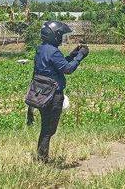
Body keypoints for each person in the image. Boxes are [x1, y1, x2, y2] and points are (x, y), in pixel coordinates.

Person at [32, 21, 89, 161]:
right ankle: (42, 159)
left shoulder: (41, 49)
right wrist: (80, 56)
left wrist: (72, 54)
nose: (61, 38)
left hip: (42, 93)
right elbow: (67, 69)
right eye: (60, 35)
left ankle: (41, 157)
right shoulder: (54, 51)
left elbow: (59, 64)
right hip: (53, 95)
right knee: (49, 130)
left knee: (45, 127)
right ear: (55, 36)